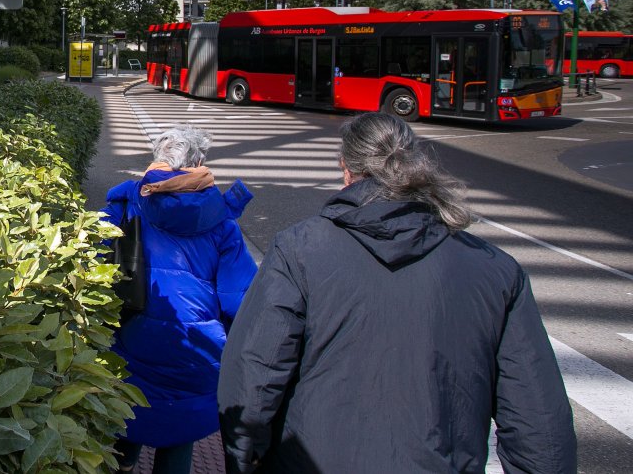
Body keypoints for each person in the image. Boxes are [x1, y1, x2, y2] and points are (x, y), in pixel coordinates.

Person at [217, 112, 576, 473]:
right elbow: (540, 423)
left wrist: (246, 460)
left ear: (346, 169)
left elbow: (253, 375)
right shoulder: (495, 269)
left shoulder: (300, 251)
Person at [101, 124, 258, 473]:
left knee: (128, 411)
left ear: (157, 159)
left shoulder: (126, 204)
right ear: (200, 162)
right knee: (178, 432)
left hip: (131, 337)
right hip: (195, 351)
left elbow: (93, 264)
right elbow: (239, 300)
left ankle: (123, 462)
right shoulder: (222, 224)